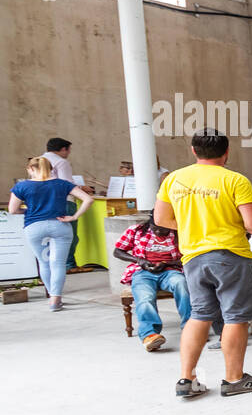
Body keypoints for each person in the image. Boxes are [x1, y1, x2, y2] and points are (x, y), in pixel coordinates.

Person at [154, 128, 252, 399]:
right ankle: (234, 379)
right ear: (227, 152)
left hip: (193, 258)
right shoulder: (235, 180)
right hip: (230, 255)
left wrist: (191, 228)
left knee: (199, 315)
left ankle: (187, 379)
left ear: (194, 151)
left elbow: (161, 219)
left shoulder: (173, 179)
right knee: (235, 316)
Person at [8, 156, 94, 310]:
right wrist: (74, 216)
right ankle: (56, 298)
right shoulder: (62, 184)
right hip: (60, 225)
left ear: (31, 169)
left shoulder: (22, 186)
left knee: (44, 262)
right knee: (58, 263)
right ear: (51, 169)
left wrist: (27, 211)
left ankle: (52, 296)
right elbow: (88, 199)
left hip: (34, 227)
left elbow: (12, 210)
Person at [113, 218, 191, 351]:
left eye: (163, 229)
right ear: (150, 223)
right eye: (155, 228)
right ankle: (150, 335)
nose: (159, 231)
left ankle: (190, 329)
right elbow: (117, 251)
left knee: (182, 285)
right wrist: (139, 260)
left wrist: (167, 263)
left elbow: (189, 256)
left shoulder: (180, 231)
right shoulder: (136, 230)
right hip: (143, 272)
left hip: (171, 271)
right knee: (145, 297)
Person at [42, 137, 85, 270]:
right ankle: (69, 264)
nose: (68, 153)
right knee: (69, 234)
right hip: (63, 201)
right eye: (68, 150)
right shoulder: (61, 162)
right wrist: (82, 188)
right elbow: (66, 183)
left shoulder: (39, 161)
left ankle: (52, 264)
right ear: (62, 149)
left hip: (44, 203)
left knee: (50, 236)